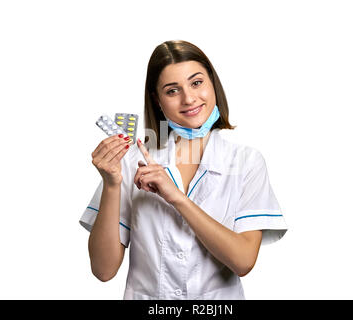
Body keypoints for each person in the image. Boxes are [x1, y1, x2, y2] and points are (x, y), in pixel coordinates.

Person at [79, 40, 287, 300]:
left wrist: (176, 197)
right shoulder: (131, 160)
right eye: (172, 90)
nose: (189, 98)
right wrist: (112, 183)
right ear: (157, 100)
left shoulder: (246, 162)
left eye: (196, 82)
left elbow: (243, 261)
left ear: (212, 83)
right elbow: (103, 270)